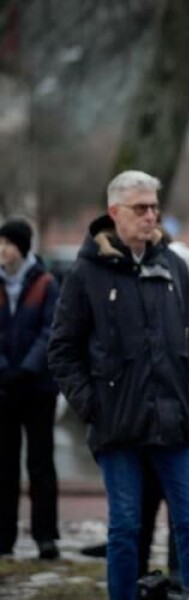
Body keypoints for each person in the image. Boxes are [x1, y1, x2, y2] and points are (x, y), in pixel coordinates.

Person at [48, 170, 189, 600]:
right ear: (114, 212)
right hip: (118, 426)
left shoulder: (173, 264)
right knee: (125, 527)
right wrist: (93, 404)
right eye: (141, 208)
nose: (151, 215)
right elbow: (62, 350)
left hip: (177, 422)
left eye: (155, 206)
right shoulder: (87, 273)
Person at [0, 218, 61, 560]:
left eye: (8, 243)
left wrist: (25, 369)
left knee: (40, 465)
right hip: (4, 390)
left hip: (37, 390)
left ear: (22, 247)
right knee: (4, 465)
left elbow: (49, 331)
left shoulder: (46, 282)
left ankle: (45, 535)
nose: (2, 250)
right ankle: (4, 535)